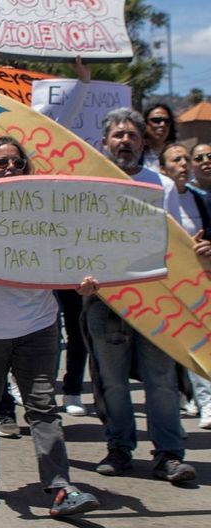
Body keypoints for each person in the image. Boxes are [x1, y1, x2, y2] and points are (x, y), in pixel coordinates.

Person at [0, 136, 101, 517]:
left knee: (43, 407)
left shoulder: (46, 210)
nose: (11, 169)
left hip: (37, 324)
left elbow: (69, 259)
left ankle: (61, 487)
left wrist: (83, 282)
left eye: (17, 163)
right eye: (2, 164)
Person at [85, 108, 195, 486]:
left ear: (143, 142)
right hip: (105, 300)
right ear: (105, 143)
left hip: (155, 300)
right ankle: (119, 448)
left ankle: (169, 454)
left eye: (132, 135)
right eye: (118, 135)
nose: (125, 141)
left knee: (161, 380)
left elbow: (178, 241)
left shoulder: (160, 185)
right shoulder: (89, 185)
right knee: (112, 381)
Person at [158, 142, 211, 429]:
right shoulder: (161, 196)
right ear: (163, 169)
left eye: (185, 159)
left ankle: (204, 402)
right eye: (175, 160)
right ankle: (189, 399)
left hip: (201, 280)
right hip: (171, 282)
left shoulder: (201, 199)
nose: (184, 164)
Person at [141, 103, 177, 172]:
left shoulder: (177, 155)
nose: (162, 124)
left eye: (167, 121)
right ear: (145, 123)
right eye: (156, 120)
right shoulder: (136, 156)